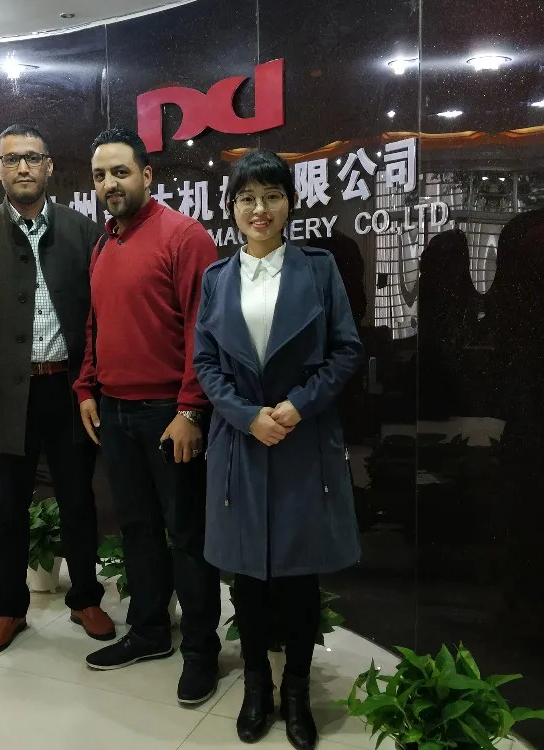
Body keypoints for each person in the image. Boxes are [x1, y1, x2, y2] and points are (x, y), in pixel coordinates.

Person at [193, 149, 364, 749]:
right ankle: (256, 686)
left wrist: (296, 406)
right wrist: (246, 416)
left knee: (298, 576)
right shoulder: (217, 277)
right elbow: (206, 363)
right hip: (241, 442)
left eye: (271, 196)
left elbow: (346, 350)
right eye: (247, 198)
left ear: (290, 202)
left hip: (300, 437)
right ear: (232, 207)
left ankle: (296, 691)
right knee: (246, 577)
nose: (259, 209)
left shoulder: (318, 268)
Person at [0, 124, 114, 654]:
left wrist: (94, 385)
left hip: (69, 389)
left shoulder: (84, 232)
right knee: (5, 509)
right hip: (1, 394)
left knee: (78, 500)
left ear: (49, 167)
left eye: (33, 158)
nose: (23, 167)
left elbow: (100, 318)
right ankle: (9, 609)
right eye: (12, 159)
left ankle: (85, 598)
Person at [74, 127, 223, 705]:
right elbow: (95, 324)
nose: (110, 184)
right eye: (100, 176)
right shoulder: (103, 244)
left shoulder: (184, 237)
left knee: (188, 535)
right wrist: (87, 387)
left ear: (147, 175)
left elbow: (204, 332)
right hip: (114, 412)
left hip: (170, 414)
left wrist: (191, 409)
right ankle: (150, 632)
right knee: (136, 529)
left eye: (120, 172)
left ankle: (201, 650)